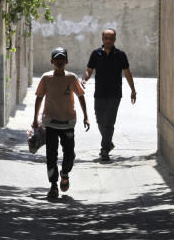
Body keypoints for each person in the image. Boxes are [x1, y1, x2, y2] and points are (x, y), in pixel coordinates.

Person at [32, 47, 90, 198]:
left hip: (68, 122)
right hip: (50, 122)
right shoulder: (46, 78)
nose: (59, 62)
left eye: (62, 59)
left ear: (66, 61)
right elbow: (39, 97)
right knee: (51, 155)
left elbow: (80, 96)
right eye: (56, 59)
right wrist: (34, 119)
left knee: (69, 154)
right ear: (52, 61)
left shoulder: (71, 78)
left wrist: (86, 116)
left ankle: (65, 173)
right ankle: (53, 185)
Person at [82, 28, 136, 161]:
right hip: (99, 93)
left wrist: (133, 90)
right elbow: (89, 70)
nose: (108, 40)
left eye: (111, 38)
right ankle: (109, 142)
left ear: (115, 39)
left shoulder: (120, 55)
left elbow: (127, 73)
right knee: (100, 121)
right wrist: (84, 79)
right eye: (106, 38)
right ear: (102, 39)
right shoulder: (96, 54)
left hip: (115, 94)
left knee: (109, 122)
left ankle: (104, 149)